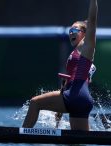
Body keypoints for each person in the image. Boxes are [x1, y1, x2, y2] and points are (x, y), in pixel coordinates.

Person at [22, 0, 98, 131]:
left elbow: (92, 19)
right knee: (79, 143)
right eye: (70, 30)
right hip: (80, 100)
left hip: (76, 96)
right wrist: (58, 117)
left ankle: (21, 136)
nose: (71, 33)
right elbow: (66, 86)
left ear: (85, 34)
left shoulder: (86, 47)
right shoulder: (75, 55)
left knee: (35, 103)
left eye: (75, 29)